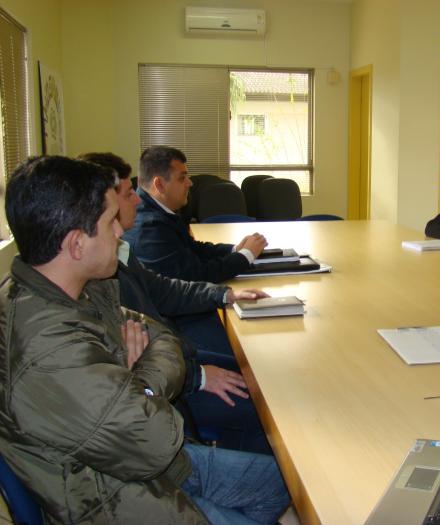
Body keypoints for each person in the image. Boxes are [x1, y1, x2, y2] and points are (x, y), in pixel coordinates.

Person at [0, 156, 289, 524]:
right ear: (76, 244)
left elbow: (159, 334)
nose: (120, 233)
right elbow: (154, 439)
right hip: (116, 497)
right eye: (108, 224)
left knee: (281, 484)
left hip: (152, 468)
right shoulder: (48, 350)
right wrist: (136, 381)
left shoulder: (80, 288)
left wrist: (133, 377)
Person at [79, 152, 272, 454]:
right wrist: (199, 375)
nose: (139, 201)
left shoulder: (118, 251)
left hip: (175, 362)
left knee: (263, 373)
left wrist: (224, 294)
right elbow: (134, 359)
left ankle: (237, 459)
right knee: (268, 407)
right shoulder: (98, 274)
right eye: (129, 194)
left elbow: (162, 290)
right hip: (170, 386)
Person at [122, 145, 267, 283]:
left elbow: (193, 249)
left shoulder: (158, 211)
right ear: (159, 184)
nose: (190, 183)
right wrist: (246, 255)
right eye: (182, 178)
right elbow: (196, 275)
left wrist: (234, 249)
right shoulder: (150, 228)